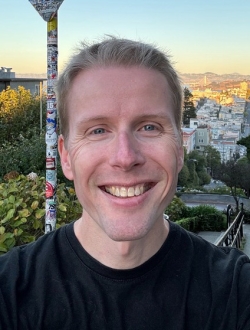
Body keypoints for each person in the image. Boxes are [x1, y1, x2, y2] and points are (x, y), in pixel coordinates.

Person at [0, 37, 250, 330]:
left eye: (149, 127)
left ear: (179, 150)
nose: (125, 157)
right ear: (65, 157)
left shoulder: (236, 292)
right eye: (97, 130)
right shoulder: (10, 293)